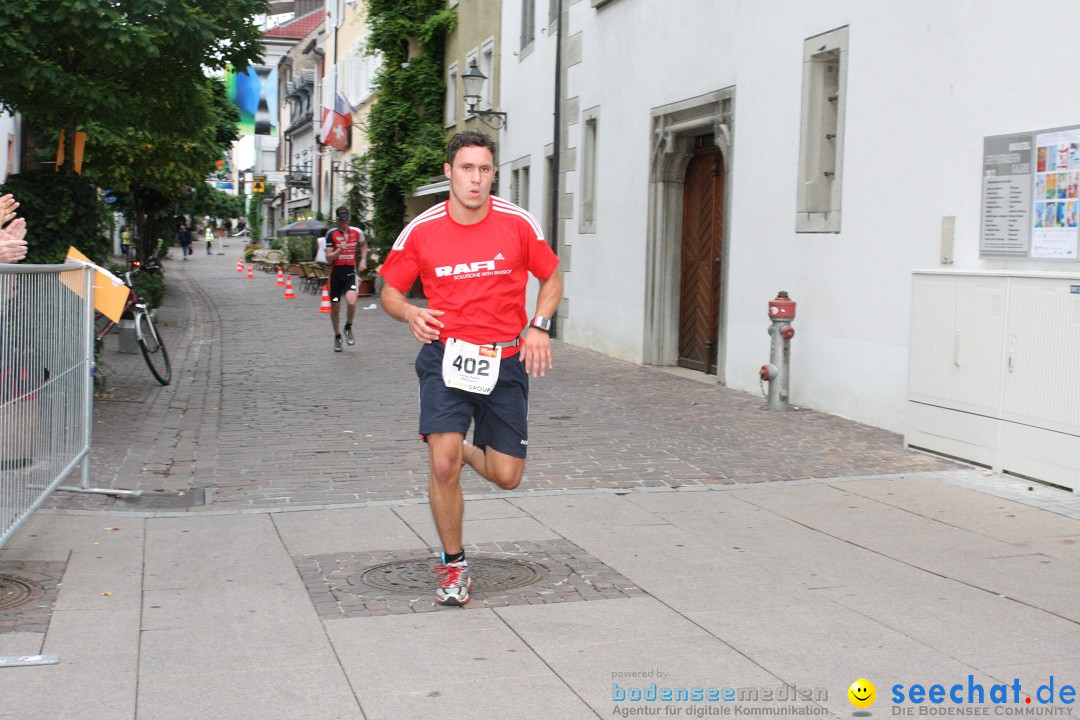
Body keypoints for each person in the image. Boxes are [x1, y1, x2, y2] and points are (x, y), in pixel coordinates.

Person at [378, 131, 563, 606]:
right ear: (449, 172)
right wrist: (410, 313)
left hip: (505, 360)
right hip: (446, 356)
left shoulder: (517, 224)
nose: (475, 179)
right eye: (466, 168)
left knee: (507, 476)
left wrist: (539, 325)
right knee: (441, 466)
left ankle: (457, 445)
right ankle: (453, 566)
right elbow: (390, 293)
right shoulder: (422, 229)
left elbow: (551, 276)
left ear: (493, 173)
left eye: (484, 169)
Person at [324, 206, 367, 352]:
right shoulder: (331, 234)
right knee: (335, 308)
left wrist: (363, 261)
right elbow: (328, 258)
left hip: (350, 275)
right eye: (342, 220)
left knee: (352, 301)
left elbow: (364, 245)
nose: (344, 222)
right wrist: (339, 250)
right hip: (335, 277)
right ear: (337, 220)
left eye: (346, 219)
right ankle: (337, 336)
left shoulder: (356, 232)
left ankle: (348, 326)